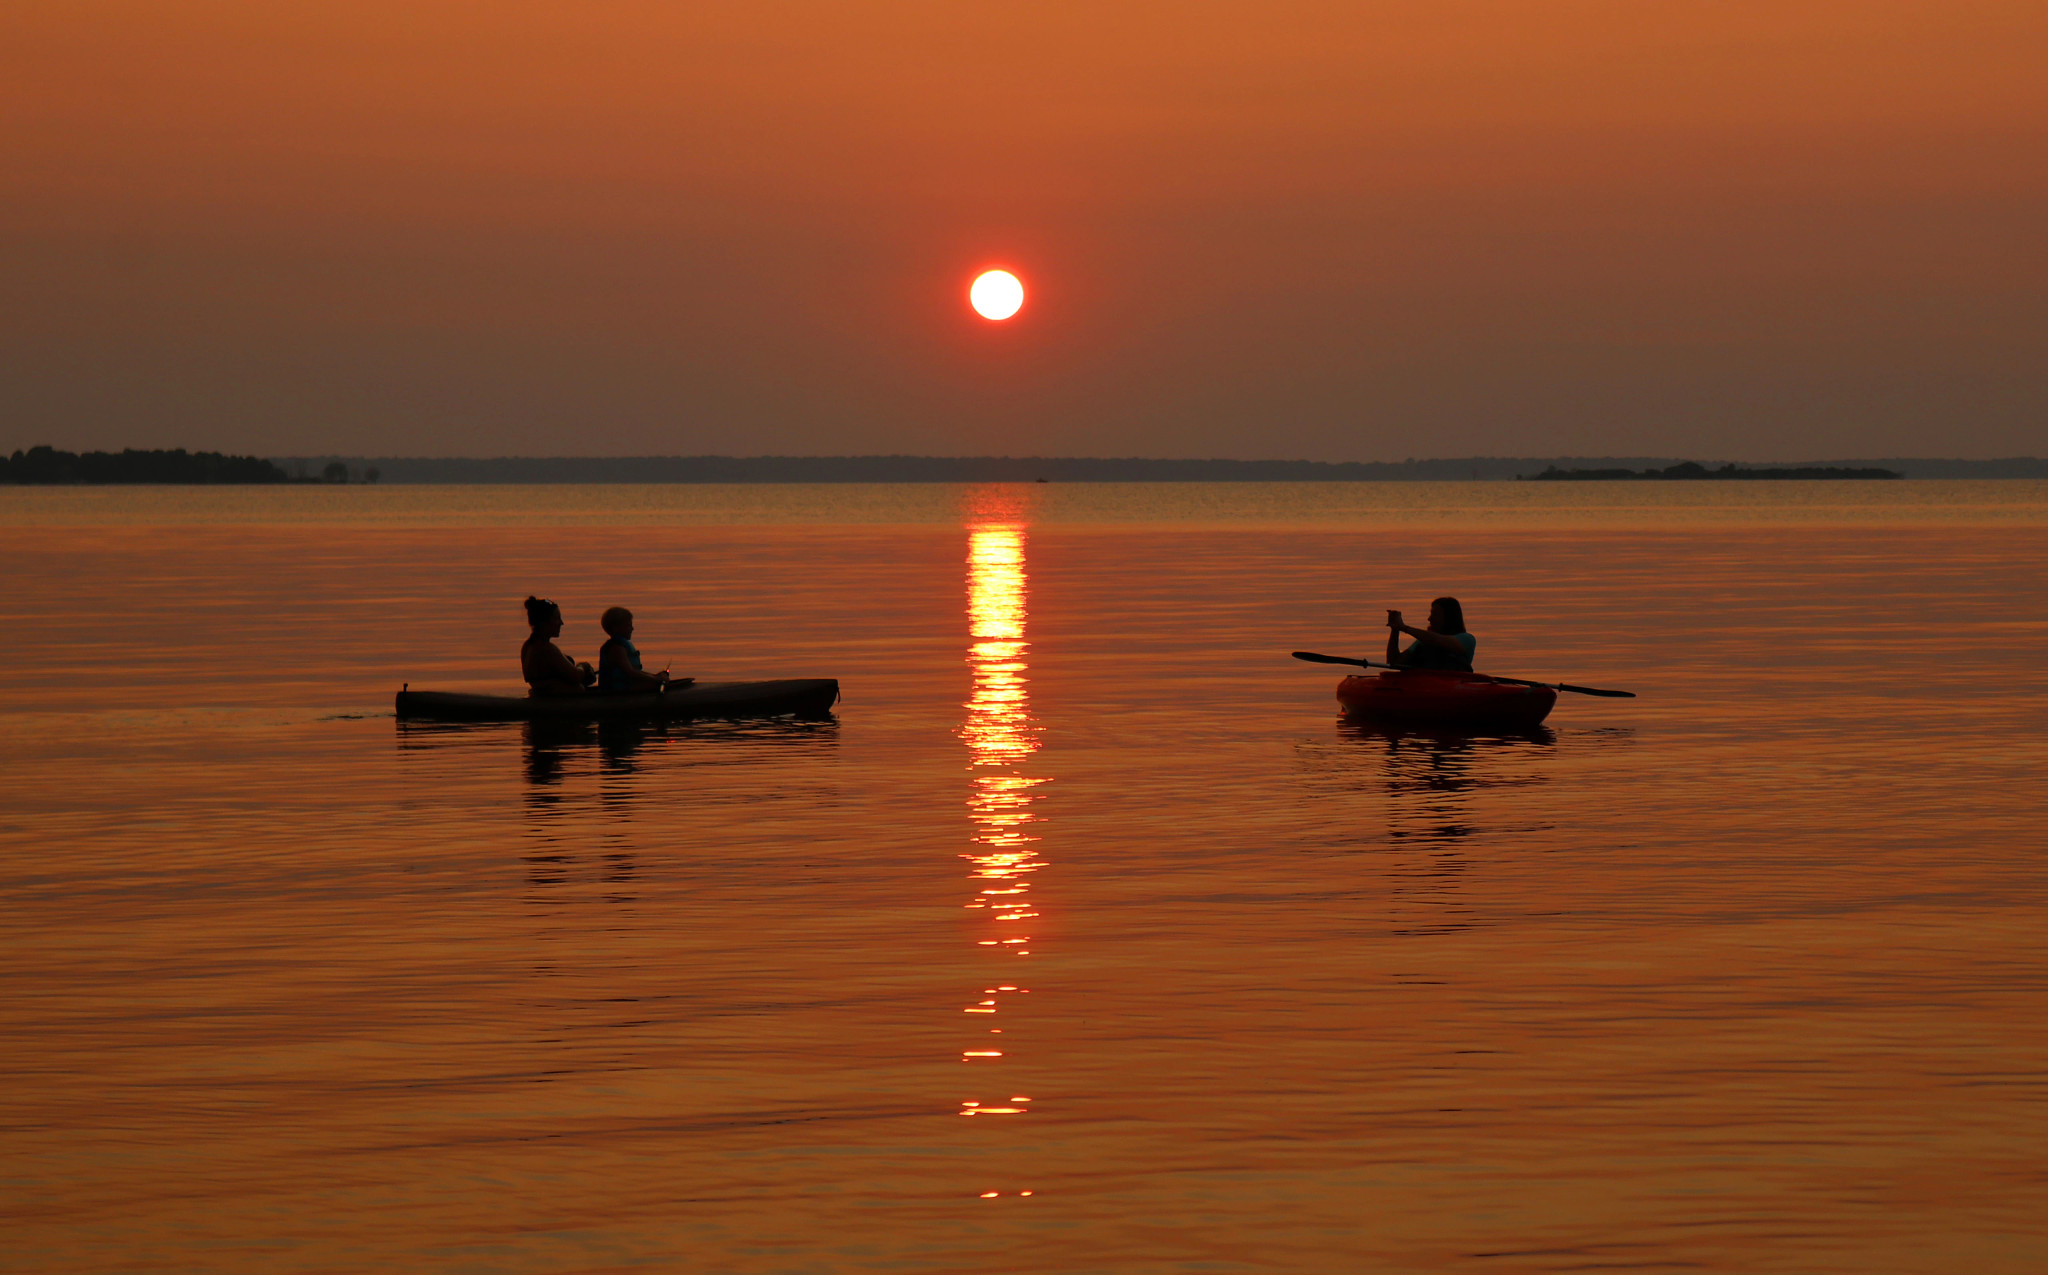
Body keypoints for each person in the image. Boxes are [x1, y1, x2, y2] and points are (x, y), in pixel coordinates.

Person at [597, 606, 690, 693]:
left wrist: (654, 676)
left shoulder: (620, 645)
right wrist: (656, 679)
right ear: (616, 628)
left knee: (655, 682)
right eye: (628, 625)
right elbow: (630, 672)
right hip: (617, 691)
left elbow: (634, 672)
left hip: (627, 686)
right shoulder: (616, 648)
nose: (632, 628)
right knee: (656, 684)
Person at [520, 596, 596, 696]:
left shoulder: (528, 645)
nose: (561, 623)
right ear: (544, 622)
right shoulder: (547, 649)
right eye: (557, 618)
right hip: (554, 701)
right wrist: (583, 667)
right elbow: (576, 676)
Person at [1386, 597, 1476, 672]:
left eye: (1435, 615)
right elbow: (1394, 662)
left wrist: (1404, 628)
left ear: (1448, 619)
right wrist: (1395, 629)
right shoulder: (1422, 642)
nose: (1429, 619)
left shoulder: (1467, 639)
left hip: (1452, 683)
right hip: (1422, 685)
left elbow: (1438, 640)